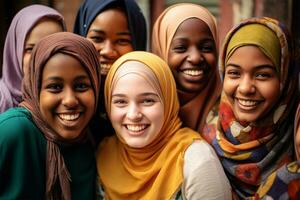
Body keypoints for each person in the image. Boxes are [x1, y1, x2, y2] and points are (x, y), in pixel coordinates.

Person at [96, 51, 231, 200]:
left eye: (147, 101)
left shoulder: (198, 161)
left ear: (168, 102)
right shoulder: (104, 153)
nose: (133, 115)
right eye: (120, 102)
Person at [202, 17, 300, 199]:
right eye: (234, 73)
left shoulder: (296, 138)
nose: (245, 88)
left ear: (285, 78)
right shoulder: (206, 140)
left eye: (263, 75)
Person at [0, 32, 101, 200]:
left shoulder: (92, 141)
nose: (70, 100)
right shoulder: (13, 131)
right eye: (55, 87)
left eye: (82, 86)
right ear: (36, 87)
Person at [73, 0, 147, 141]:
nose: (107, 51)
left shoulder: (153, 107)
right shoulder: (64, 104)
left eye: (122, 40)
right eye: (97, 38)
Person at [152, 3, 221, 133]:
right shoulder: (141, 112)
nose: (195, 58)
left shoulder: (236, 113)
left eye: (206, 48)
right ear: (161, 50)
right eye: (180, 48)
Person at [0, 4, 66, 113]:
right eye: (31, 49)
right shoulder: (2, 100)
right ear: (15, 50)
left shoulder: (69, 99)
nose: (42, 57)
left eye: (53, 48)